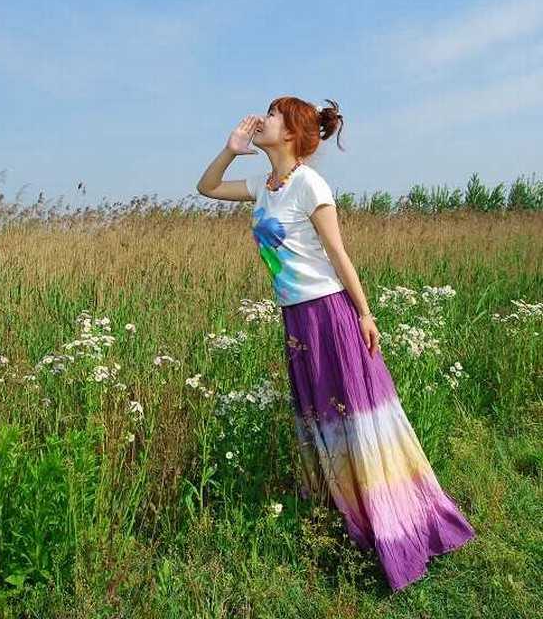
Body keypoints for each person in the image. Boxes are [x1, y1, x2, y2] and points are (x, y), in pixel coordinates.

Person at [196, 96, 475, 592]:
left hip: (328, 313)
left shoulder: (309, 184)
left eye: (274, 115)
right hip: (295, 318)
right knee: (320, 419)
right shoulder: (263, 187)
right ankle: (343, 516)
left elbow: (338, 253)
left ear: (291, 132)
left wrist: (365, 314)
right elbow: (207, 187)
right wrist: (231, 149)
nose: (263, 119)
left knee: (358, 419)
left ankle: (395, 525)